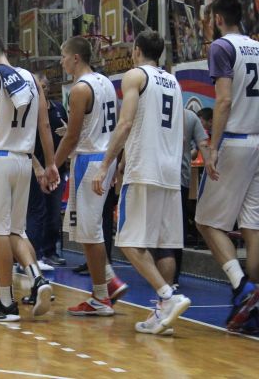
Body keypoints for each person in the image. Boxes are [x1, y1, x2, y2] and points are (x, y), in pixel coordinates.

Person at [92, 30, 191, 335]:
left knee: (128, 242)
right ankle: (162, 314)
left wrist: (106, 165)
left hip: (145, 168)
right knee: (164, 245)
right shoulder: (173, 81)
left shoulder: (135, 76)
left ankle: (168, 297)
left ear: (136, 50)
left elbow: (125, 123)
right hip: (170, 170)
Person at [0, 32, 58, 322]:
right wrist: (51, 164)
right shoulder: (32, 79)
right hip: (24, 160)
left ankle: (6, 303)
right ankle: (37, 279)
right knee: (15, 231)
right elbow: (45, 125)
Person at [194, 0, 259, 332]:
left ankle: (241, 286)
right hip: (258, 141)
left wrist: (213, 147)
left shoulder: (222, 47)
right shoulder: (257, 46)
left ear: (218, 19)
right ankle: (255, 299)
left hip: (234, 141)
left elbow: (223, 101)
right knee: (253, 226)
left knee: (205, 221)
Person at [53, 36, 129, 316]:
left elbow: (73, 137)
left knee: (90, 231)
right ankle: (110, 282)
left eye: (63, 57)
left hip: (88, 159)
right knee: (88, 230)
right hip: (105, 156)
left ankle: (101, 297)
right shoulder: (106, 82)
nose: (61, 62)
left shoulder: (79, 89)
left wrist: (52, 166)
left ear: (76, 58)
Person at [153, 109, 209, 287]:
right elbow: (202, 143)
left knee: (158, 226)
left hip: (156, 176)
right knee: (176, 229)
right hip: (179, 176)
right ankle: (173, 277)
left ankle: (159, 275)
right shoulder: (190, 116)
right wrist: (210, 163)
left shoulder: (155, 110)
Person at [29, 72, 68, 268]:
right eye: (38, 87)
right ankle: (33, 254)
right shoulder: (29, 112)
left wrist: (68, 132)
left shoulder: (59, 108)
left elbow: (69, 132)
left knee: (53, 213)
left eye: (44, 87)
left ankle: (51, 251)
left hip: (56, 169)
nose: (42, 90)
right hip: (35, 169)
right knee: (37, 213)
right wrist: (37, 166)